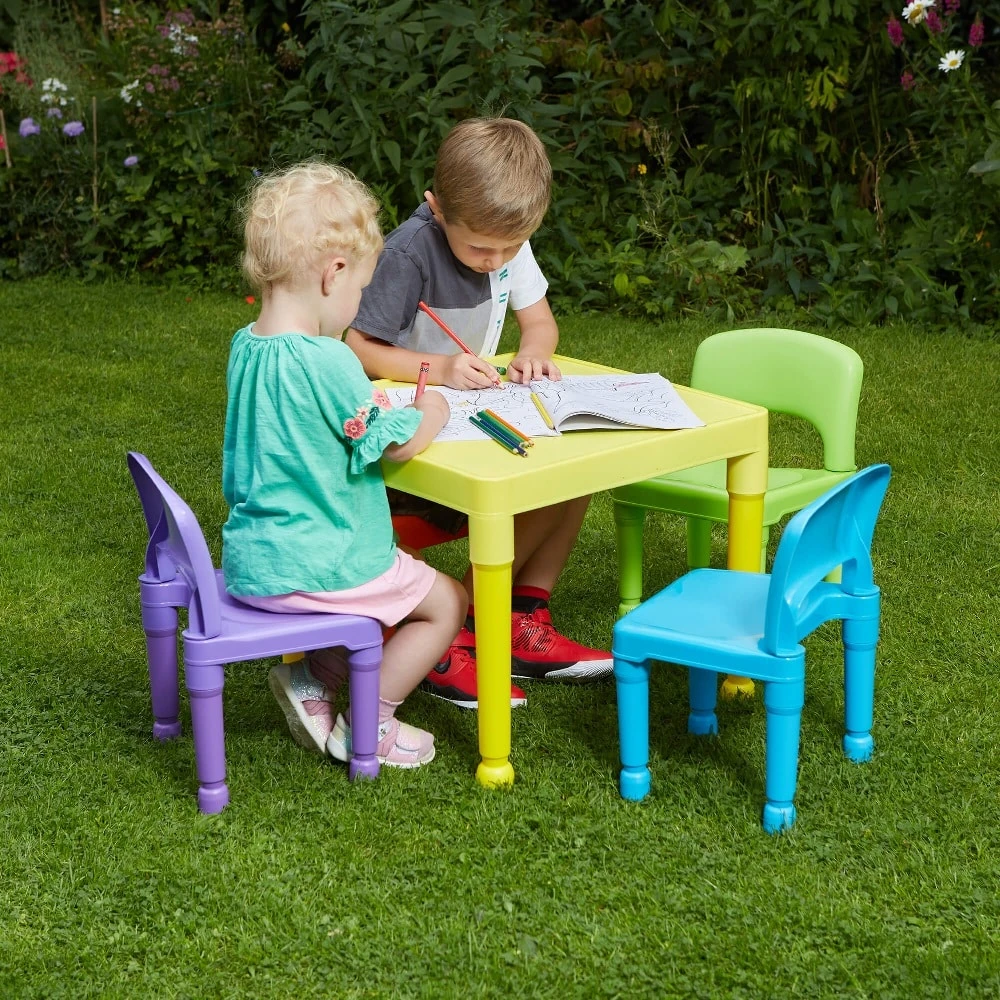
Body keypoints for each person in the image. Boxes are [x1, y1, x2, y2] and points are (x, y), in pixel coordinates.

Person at [345, 117, 612, 711]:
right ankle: (453, 631)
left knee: (573, 480)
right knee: (533, 484)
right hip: (408, 450)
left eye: (509, 249)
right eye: (480, 248)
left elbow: (539, 323)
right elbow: (357, 347)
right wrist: (441, 369)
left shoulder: (505, 243)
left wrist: (535, 356)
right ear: (437, 208)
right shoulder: (409, 254)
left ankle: (518, 618)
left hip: (470, 424)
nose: (495, 262)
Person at [222, 161, 467, 768]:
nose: (359, 303)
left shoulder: (245, 345)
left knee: (378, 591)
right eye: (360, 290)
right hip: (320, 562)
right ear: (333, 275)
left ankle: (311, 680)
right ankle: (370, 720)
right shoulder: (329, 363)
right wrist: (432, 408)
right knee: (446, 602)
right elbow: (394, 447)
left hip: (257, 557)